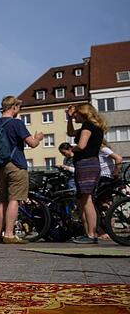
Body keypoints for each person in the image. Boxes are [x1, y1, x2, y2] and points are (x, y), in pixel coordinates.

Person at [0, 96, 44, 244]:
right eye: (18, 108)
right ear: (13, 107)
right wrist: (38, 138)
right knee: (14, 199)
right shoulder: (16, 123)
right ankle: (9, 234)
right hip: (16, 164)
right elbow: (32, 143)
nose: (18, 111)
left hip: (0, 166)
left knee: (2, 200)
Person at [66, 103, 108, 244]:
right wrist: (70, 118)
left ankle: (91, 234)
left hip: (86, 164)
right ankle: (89, 233)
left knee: (87, 200)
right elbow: (70, 133)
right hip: (90, 164)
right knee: (84, 200)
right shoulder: (93, 127)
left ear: (83, 113)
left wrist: (73, 150)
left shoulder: (87, 127)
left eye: (77, 113)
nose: (75, 115)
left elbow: (82, 145)